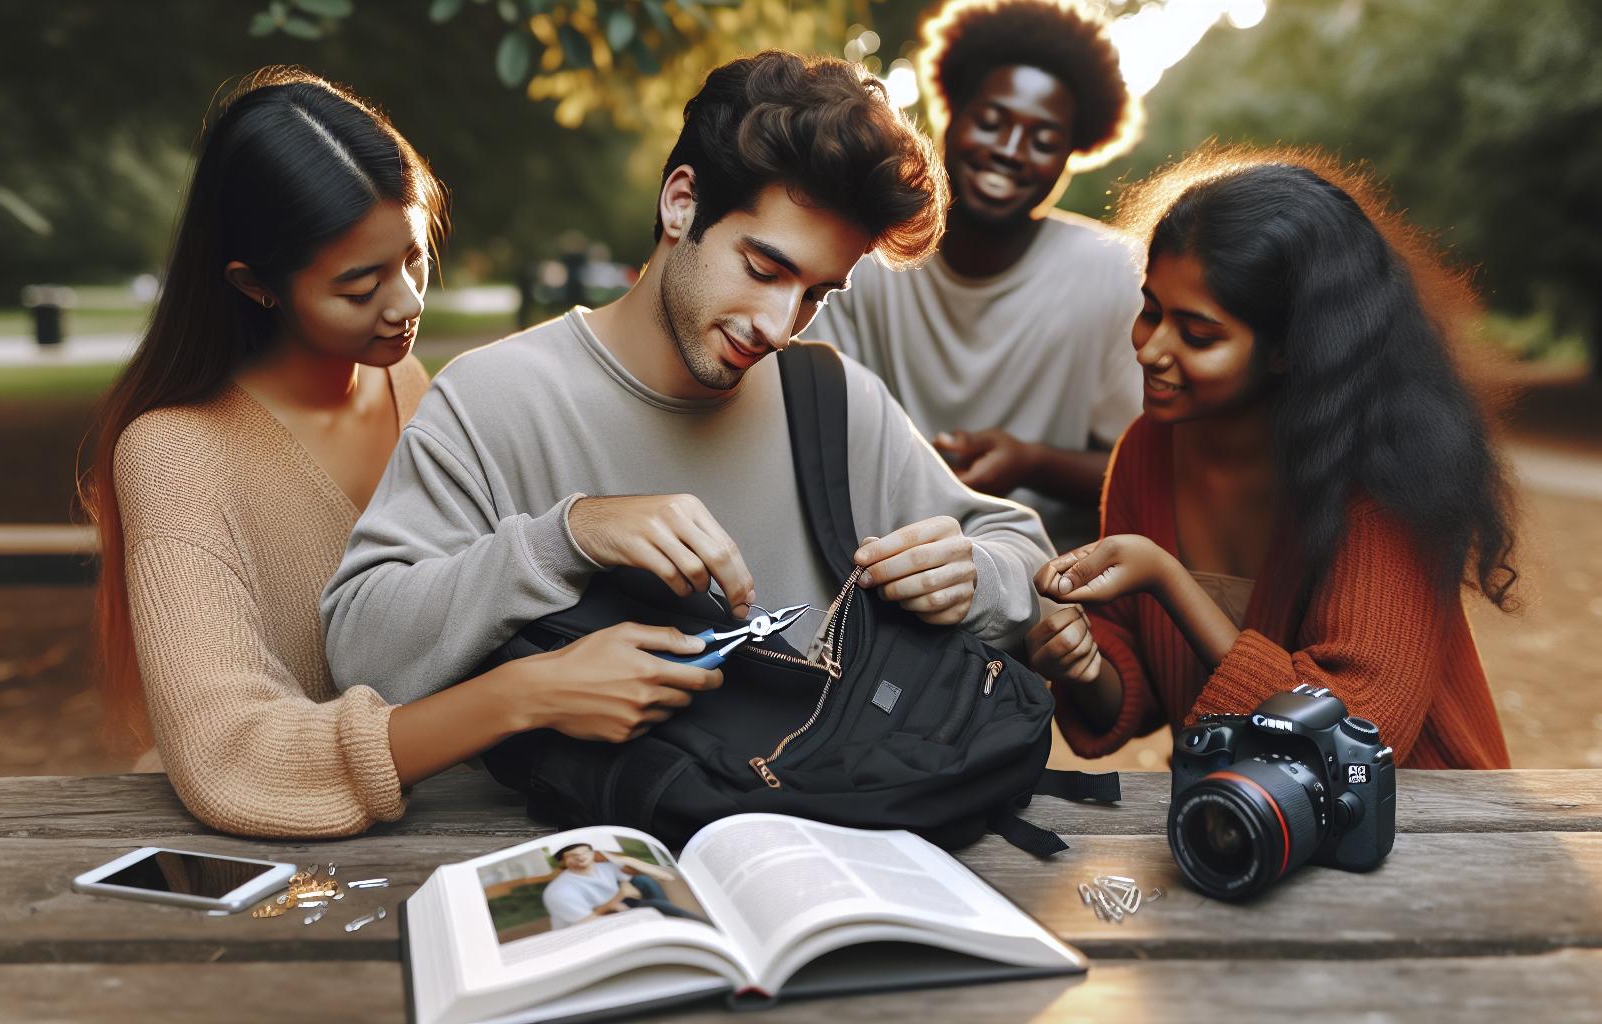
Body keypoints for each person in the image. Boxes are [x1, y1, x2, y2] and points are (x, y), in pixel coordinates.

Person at [81, 67, 719, 839]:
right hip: (280, 864)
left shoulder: (410, 387)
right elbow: (232, 755)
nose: (409, 303)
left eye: (413, 259)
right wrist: (527, 695)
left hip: (453, 832)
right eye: (360, 287)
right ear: (256, 286)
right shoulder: (174, 455)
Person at [321, 51, 1052, 708]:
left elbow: (1028, 558)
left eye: (815, 295)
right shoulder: (493, 398)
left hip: (813, 833)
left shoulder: (830, 397)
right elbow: (361, 652)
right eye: (764, 269)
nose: (778, 323)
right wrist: (567, 536)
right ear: (680, 203)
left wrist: (973, 576)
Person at [1027, 149, 1518, 769]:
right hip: (1247, 823)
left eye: (1198, 335)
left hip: (1421, 822)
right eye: (1150, 310)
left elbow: (1354, 733)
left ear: (1290, 349)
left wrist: (1167, 579)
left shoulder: (1382, 478)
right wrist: (1083, 663)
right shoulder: (1146, 451)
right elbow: (1134, 690)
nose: (1151, 349)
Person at [805, 0, 1145, 549]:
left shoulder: (1118, 271)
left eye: (1043, 139)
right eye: (991, 122)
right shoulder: (862, 250)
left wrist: (1031, 463)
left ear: (1071, 155)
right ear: (952, 114)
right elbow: (807, 422)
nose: (1010, 151)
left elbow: (1151, 472)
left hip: (1049, 586)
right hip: (874, 560)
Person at [541, 844, 698, 930]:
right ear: (563, 862)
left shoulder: (602, 866)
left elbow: (666, 877)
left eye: (585, 852)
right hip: (584, 928)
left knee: (643, 881)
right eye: (573, 855)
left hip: (613, 905)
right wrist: (619, 897)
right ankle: (685, 923)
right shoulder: (559, 891)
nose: (581, 857)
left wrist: (624, 859)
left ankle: (669, 921)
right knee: (651, 906)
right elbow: (586, 922)